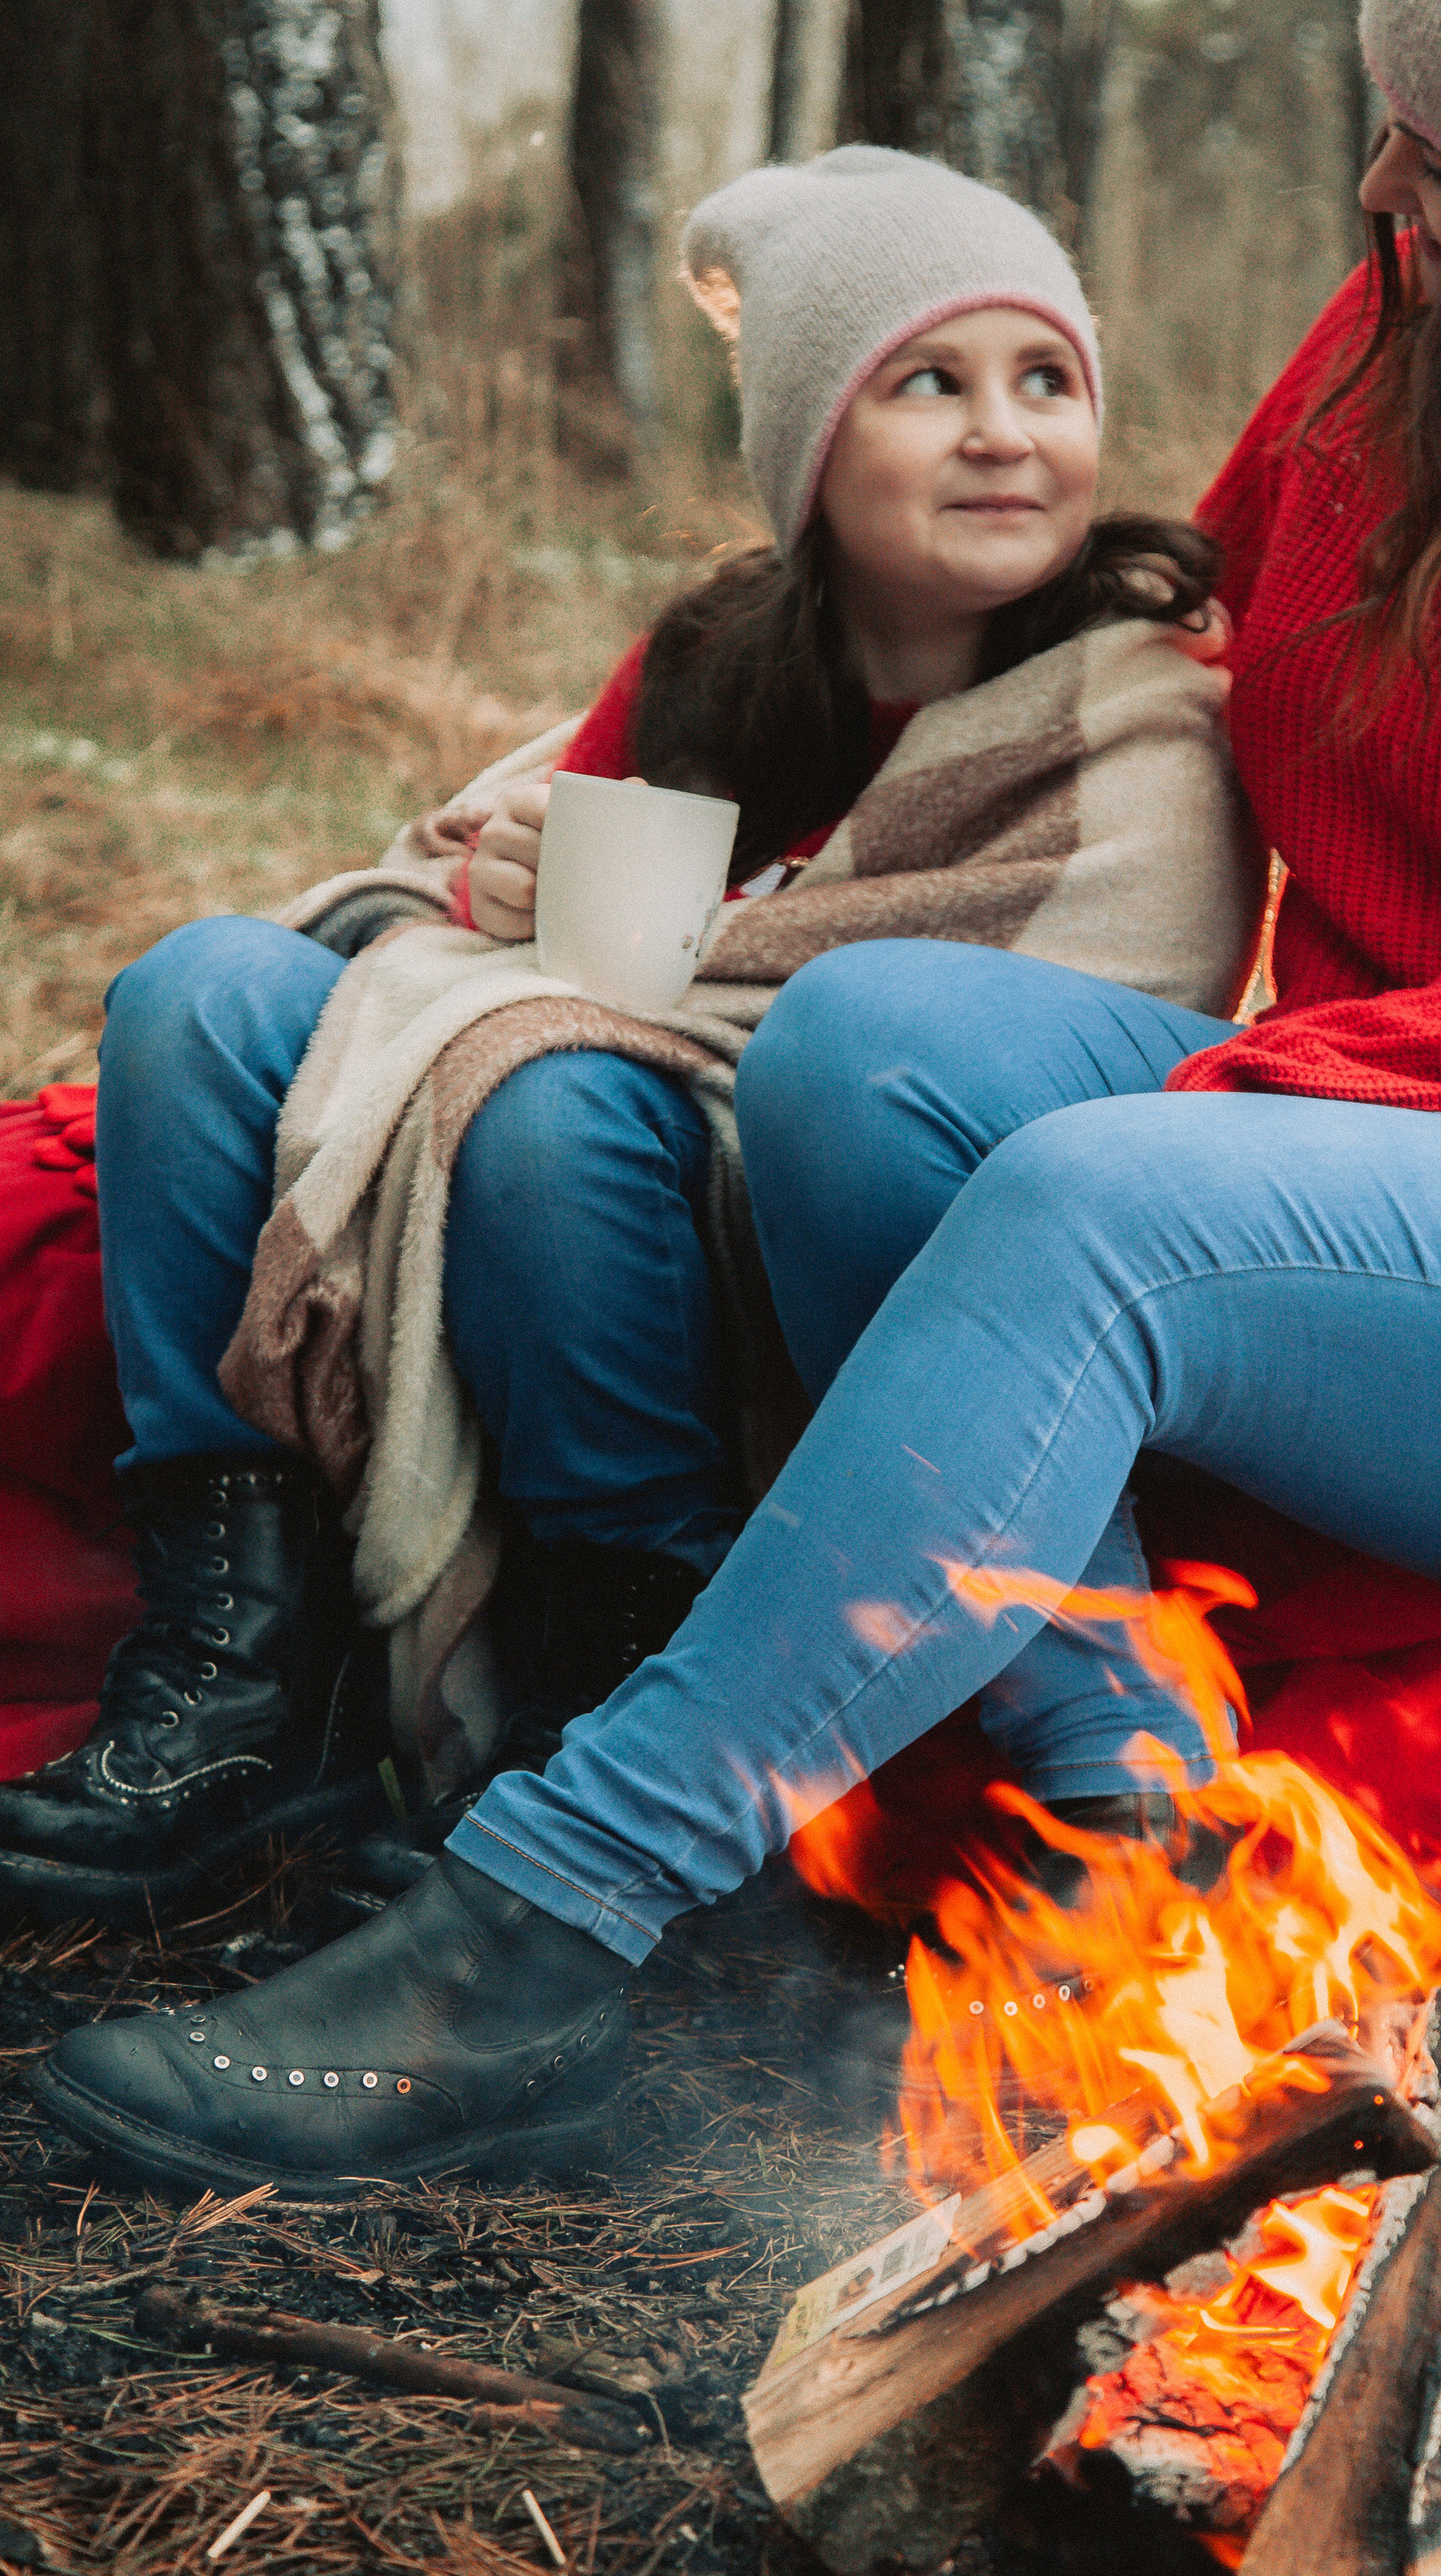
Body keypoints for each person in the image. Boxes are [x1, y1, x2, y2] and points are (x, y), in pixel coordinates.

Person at [37, 0, 1441, 2199]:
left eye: (1434, 152)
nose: (1375, 187)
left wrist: (1212, 1128)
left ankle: (552, 1917)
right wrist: (739, 800)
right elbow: (1164, 655)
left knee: (1089, 1205)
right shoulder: (1403, 348)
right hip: (1403, 1146)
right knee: (882, 1053)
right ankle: (1123, 1831)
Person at [0, 149, 1254, 1926]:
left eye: (1043, 381)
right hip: (581, 1093)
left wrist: (639, 968)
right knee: (198, 989)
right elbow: (456, 877)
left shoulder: (1135, 704)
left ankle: (605, 1662)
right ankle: (230, 1667)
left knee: (545, 1092)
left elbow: (1092, 997)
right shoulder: (725, 652)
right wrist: (495, 884)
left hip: (816, 1194)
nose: (1004, 433)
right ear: (812, 442)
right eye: (931, 383)